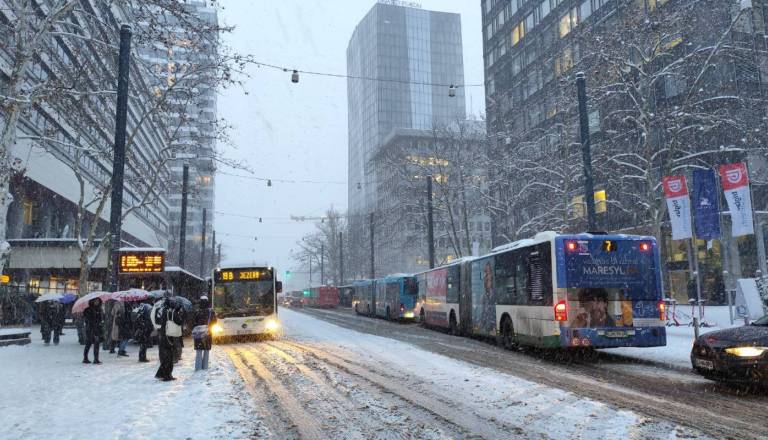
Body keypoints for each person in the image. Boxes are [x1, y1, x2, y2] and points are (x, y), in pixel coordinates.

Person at [155, 295, 184, 381]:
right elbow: (179, 321)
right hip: (168, 336)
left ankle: (162, 374)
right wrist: (179, 312)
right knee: (169, 356)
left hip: (163, 334)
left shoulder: (163, 310)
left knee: (165, 355)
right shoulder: (170, 312)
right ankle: (166, 375)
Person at [192, 296, 217, 371]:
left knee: (199, 351)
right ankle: (205, 367)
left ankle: (198, 367)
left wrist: (198, 326)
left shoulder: (197, 311)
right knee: (206, 350)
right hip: (208, 332)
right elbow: (215, 322)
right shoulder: (211, 312)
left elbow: (193, 322)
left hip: (198, 333)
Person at [82, 298, 103, 364]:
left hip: (97, 328)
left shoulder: (99, 309)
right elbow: (87, 319)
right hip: (90, 328)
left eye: (98, 301)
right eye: (95, 301)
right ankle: (85, 358)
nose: (97, 302)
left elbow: (100, 318)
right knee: (88, 343)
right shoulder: (88, 309)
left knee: (96, 343)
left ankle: (96, 359)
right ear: (92, 301)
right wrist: (94, 319)